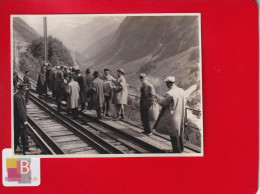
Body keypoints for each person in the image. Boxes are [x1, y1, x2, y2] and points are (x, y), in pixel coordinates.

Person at [154, 76, 186, 153]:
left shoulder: (170, 93)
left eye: (166, 83)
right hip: (181, 114)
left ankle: (176, 151)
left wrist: (157, 97)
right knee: (179, 132)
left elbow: (164, 103)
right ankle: (181, 148)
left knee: (173, 134)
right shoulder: (181, 91)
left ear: (168, 84)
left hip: (173, 116)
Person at [14, 84, 30, 155]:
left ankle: (15, 147)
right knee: (24, 134)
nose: (25, 92)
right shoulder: (18, 97)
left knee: (16, 134)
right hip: (20, 121)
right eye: (24, 90)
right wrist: (24, 120)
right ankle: (25, 148)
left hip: (17, 120)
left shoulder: (17, 96)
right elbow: (21, 111)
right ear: (20, 90)